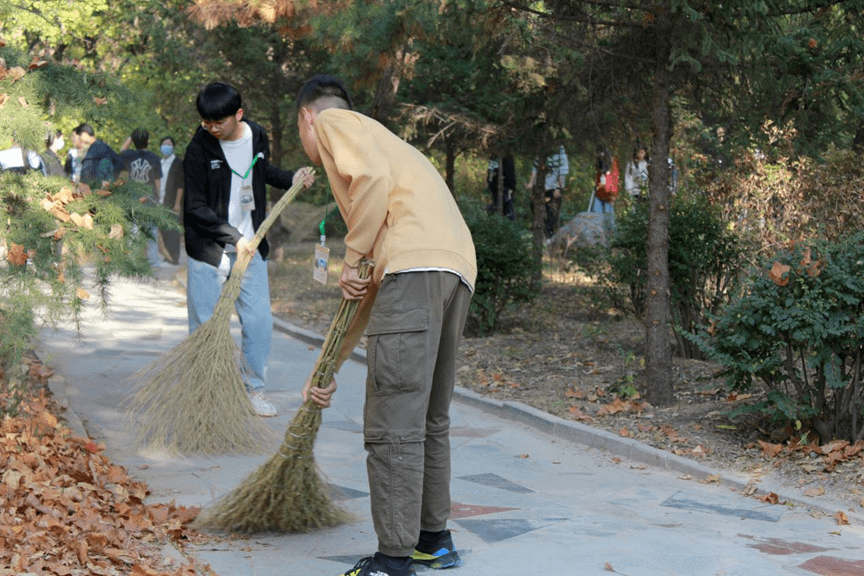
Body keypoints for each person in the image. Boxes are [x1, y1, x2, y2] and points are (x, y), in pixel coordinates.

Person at [297, 74, 476, 576]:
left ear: (306, 117)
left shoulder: (334, 121)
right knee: (427, 418)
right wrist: (327, 367)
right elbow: (374, 290)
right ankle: (433, 541)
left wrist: (350, 257)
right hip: (455, 270)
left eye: (301, 133)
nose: (309, 146)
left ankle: (392, 561)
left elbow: (369, 188)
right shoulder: (393, 154)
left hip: (416, 273)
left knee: (392, 422)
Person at [183, 82, 314, 418]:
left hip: (252, 248)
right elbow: (194, 207)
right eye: (206, 123)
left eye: (219, 123)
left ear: (238, 114)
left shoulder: (256, 135)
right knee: (205, 325)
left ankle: (253, 390)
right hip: (210, 252)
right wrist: (231, 237)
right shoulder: (199, 148)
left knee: (258, 323)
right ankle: (204, 395)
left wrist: (291, 177)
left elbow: (262, 171)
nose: (212, 129)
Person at [525, 144, 569, 239]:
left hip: (553, 187)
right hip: (541, 187)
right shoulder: (542, 149)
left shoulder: (561, 154)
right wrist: (530, 183)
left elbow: (563, 172)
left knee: (552, 213)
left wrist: (558, 188)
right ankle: (541, 233)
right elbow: (535, 168)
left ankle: (550, 237)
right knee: (534, 205)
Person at [157, 136, 184, 265]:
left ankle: (174, 259)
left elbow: (180, 185)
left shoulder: (178, 163)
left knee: (173, 231)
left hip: (173, 201)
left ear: (173, 147)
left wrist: (178, 203)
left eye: (168, 144)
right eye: (164, 144)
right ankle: (167, 257)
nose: (166, 146)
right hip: (160, 201)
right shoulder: (159, 162)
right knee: (163, 230)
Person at [591, 144, 618, 229]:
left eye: (601, 153)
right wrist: (596, 187)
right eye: (598, 153)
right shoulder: (598, 163)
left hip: (609, 195)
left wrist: (613, 195)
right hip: (599, 194)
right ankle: (598, 234)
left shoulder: (612, 163)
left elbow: (615, 179)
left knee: (609, 218)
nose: (600, 155)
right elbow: (597, 178)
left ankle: (612, 237)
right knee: (596, 215)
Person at [485, 153, 516, 221]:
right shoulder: (493, 158)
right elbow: (490, 172)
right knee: (497, 206)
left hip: (505, 187)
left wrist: (510, 187)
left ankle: (510, 225)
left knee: (507, 207)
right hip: (495, 188)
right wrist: (489, 183)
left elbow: (510, 175)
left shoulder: (506, 157)